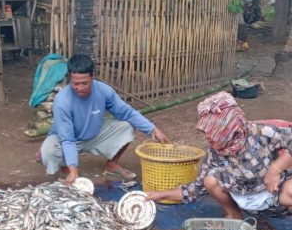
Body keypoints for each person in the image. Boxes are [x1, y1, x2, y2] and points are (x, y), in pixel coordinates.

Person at [147, 92, 292, 219]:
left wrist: (275, 169)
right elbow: (195, 190)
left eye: (213, 132)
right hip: (246, 201)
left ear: (228, 128)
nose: (208, 137)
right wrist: (161, 195)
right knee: (210, 180)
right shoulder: (214, 154)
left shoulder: (260, 133)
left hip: (275, 192)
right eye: (206, 132)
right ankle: (234, 214)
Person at [37, 54, 170, 185]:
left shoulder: (104, 90)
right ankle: (68, 170)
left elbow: (127, 112)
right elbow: (67, 139)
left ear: (92, 77)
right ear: (70, 79)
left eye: (85, 83)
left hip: (94, 135)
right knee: (48, 150)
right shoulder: (62, 100)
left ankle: (112, 165)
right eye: (76, 84)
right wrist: (73, 168)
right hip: (65, 139)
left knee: (127, 126)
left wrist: (153, 130)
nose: (80, 88)